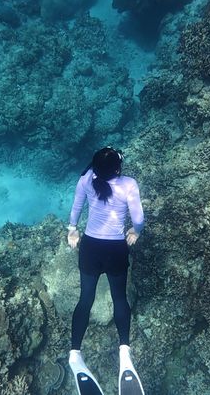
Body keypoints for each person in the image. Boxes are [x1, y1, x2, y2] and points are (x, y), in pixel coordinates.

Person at [67, 147, 145, 395]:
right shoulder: (129, 184)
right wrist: (135, 231)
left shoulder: (86, 179)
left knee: (85, 299)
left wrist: (72, 230)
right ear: (118, 169)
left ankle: (75, 354)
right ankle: (125, 352)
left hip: (90, 248)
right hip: (115, 249)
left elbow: (77, 206)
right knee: (119, 298)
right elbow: (138, 218)